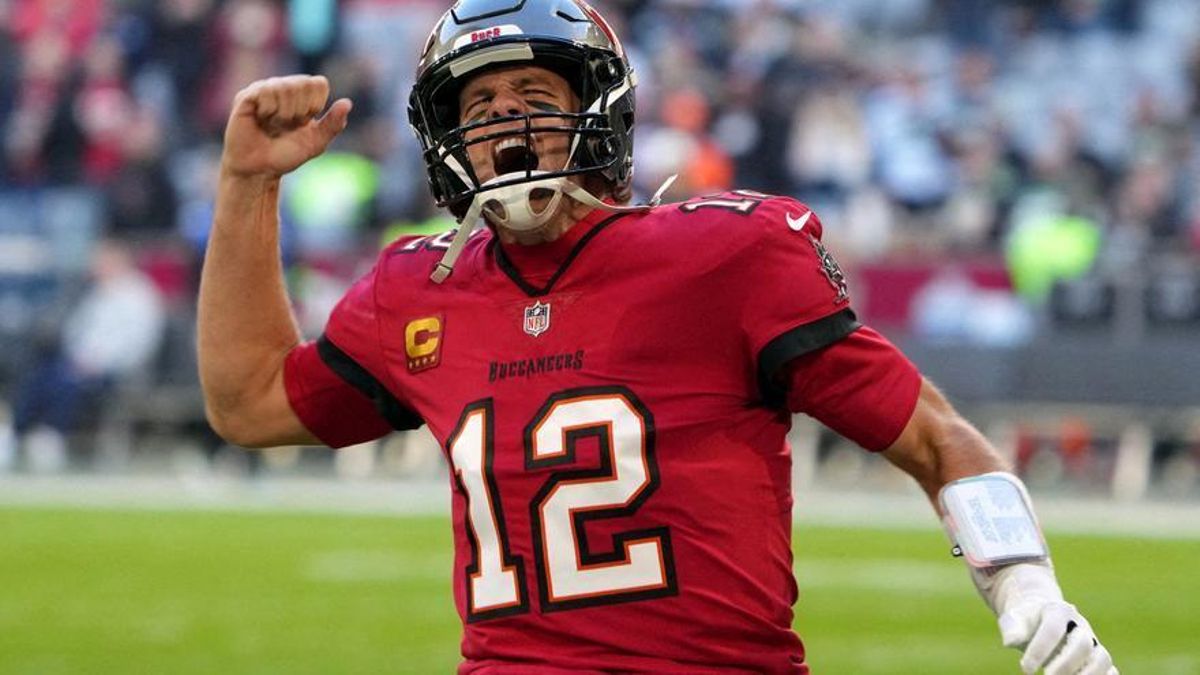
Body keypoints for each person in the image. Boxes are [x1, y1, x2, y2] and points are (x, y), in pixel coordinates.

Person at [198, 1, 1118, 673]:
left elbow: (934, 438)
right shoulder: (420, 288)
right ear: (448, 142)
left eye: (531, 93)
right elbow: (249, 401)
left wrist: (1023, 581)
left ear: (597, 107)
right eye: (479, 111)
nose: (508, 126)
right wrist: (246, 182)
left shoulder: (724, 255)